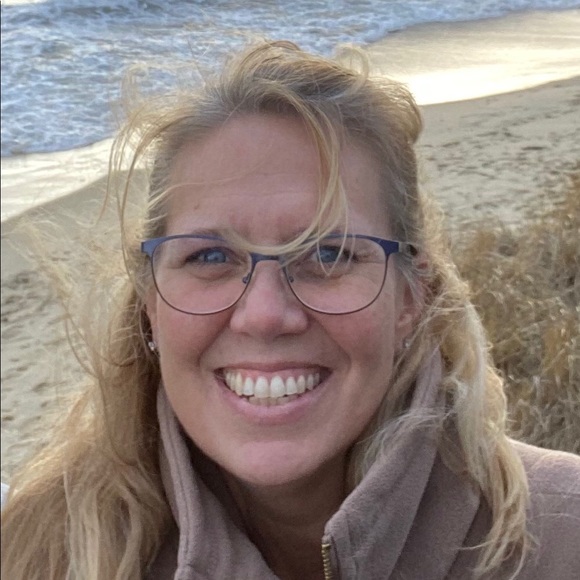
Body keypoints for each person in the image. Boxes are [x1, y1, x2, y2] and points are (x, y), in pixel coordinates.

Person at [1, 40, 579, 580]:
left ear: (410, 298)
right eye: (210, 256)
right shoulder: (43, 551)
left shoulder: (562, 538)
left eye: (328, 254)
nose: (264, 315)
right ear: (150, 303)